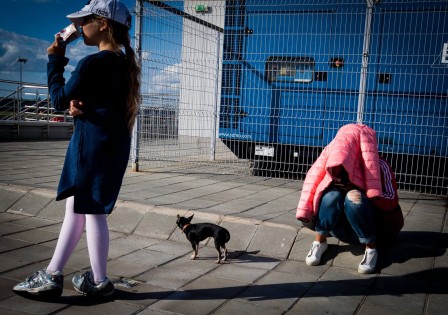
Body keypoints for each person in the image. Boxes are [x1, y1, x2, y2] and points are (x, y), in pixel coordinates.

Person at [13, 0, 140, 297]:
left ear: (103, 24)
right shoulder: (123, 63)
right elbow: (98, 101)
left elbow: (57, 99)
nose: (80, 27)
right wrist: (78, 103)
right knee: (79, 208)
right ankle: (56, 274)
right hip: (110, 144)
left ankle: (95, 281)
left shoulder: (93, 62)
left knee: (90, 210)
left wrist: (55, 59)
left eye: (85, 21)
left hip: (91, 147)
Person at [296, 123, 404, 274]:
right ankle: (320, 242)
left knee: (354, 198)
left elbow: (391, 200)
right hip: (339, 229)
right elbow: (310, 188)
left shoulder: (380, 164)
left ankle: (371, 249)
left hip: (373, 229)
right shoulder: (333, 162)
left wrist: (365, 192)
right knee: (332, 195)